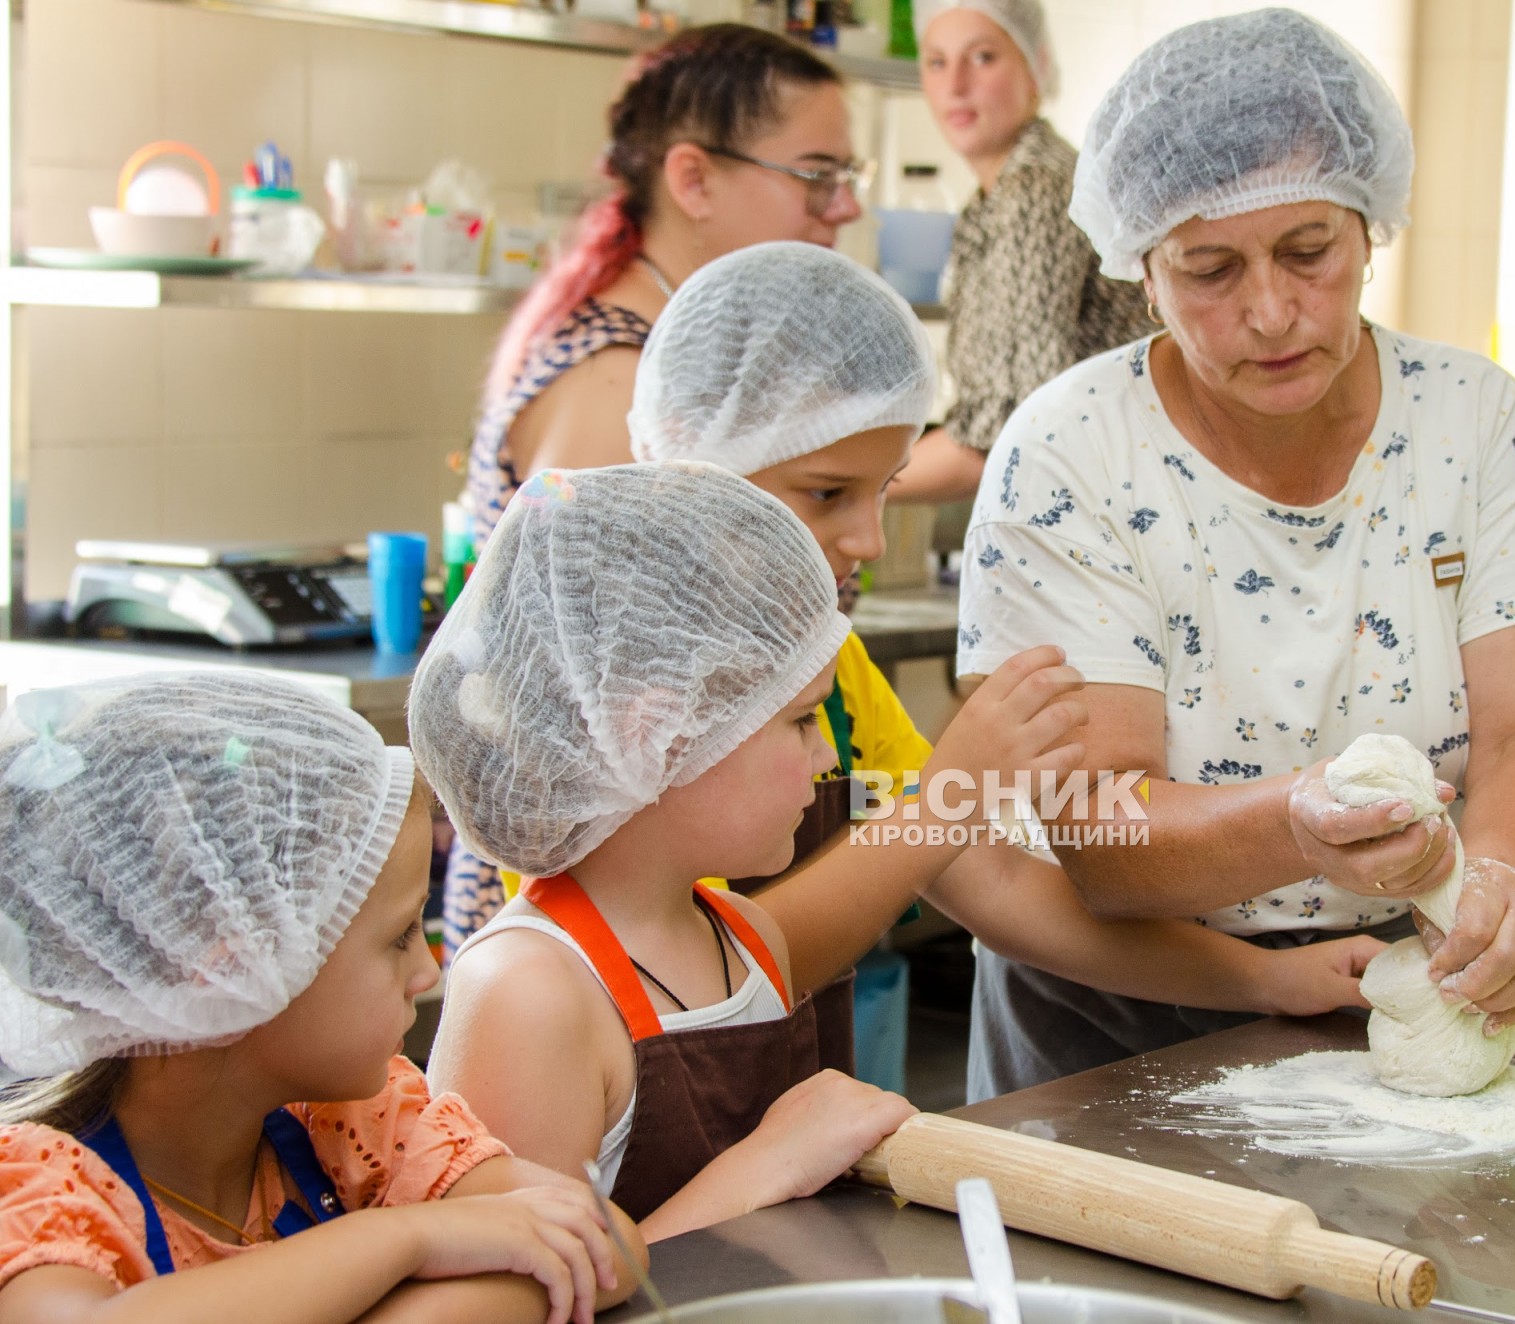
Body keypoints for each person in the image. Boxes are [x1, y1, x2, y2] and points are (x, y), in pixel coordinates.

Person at [419, 461, 1375, 1239]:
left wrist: (1276, 982)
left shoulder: (737, 937)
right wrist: (769, 1165)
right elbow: (514, 1299)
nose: (828, 753)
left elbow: (939, 864)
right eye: (798, 722)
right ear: (661, 734)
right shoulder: (530, 993)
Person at [954, 10, 1515, 1097]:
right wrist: (1299, 822)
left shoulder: (1473, 421)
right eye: (1209, 269)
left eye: (1309, 253)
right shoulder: (1069, 453)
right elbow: (1103, 830)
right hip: (1115, 1019)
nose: (1270, 311)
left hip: (1405, 975)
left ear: (1368, 226)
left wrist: (1499, 881)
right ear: (1140, 272)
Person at [0, 673, 643, 1324]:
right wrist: (403, 1239)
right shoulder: (43, 1191)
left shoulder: (348, 1124)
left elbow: (606, 1243)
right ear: (234, 973)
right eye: (397, 938)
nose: (427, 971)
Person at [444, 23, 869, 953]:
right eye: (814, 173)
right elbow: (618, 684)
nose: (840, 208)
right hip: (591, 916)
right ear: (693, 178)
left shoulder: (673, 357)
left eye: (848, 178)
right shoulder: (613, 380)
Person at [888, 0, 1151, 504]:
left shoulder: (1036, 188)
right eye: (936, 62)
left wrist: (835, 492)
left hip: (1108, 503)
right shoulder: (999, 192)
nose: (955, 85)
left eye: (982, 57)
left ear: (1037, 68)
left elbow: (1006, 434)